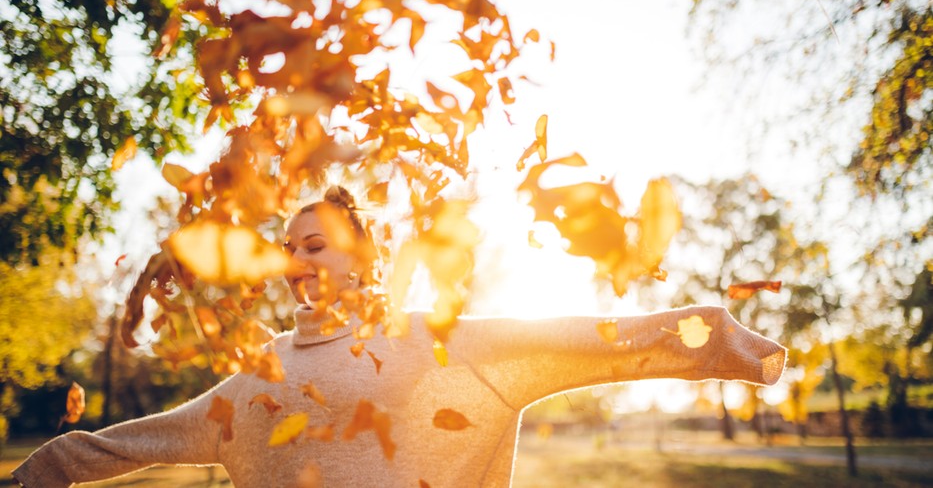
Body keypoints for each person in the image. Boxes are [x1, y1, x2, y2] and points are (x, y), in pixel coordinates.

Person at [13, 187, 787, 488]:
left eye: (314, 245)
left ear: (363, 257)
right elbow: (140, 440)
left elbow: (587, 336)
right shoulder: (259, 372)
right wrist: (41, 470)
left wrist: (712, 336)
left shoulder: (436, 342)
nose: (295, 263)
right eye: (288, 249)